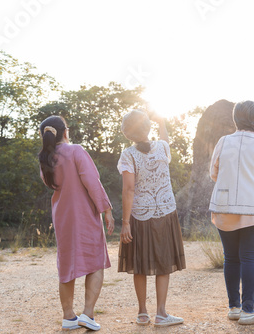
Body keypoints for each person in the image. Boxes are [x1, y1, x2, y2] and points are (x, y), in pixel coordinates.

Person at [38, 116, 115, 331]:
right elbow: (92, 181)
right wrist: (106, 209)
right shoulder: (76, 151)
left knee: (66, 265)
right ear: (65, 132)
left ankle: (68, 316)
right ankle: (88, 314)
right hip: (85, 215)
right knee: (96, 261)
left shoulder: (46, 159)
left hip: (62, 218)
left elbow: (49, 183)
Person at [117, 109, 186, 327]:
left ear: (127, 134)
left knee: (140, 264)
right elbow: (164, 140)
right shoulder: (162, 148)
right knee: (163, 262)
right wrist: (162, 122)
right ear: (147, 128)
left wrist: (125, 223)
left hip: (140, 215)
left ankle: (142, 313)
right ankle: (162, 313)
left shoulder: (128, 155)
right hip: (165, 213)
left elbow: (128, 190)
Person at [209, 100, 254, 325]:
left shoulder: (223, 142)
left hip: (224, 206)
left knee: (231, 257)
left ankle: (234, 308)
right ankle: (248, 310)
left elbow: (213, 173)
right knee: (250, 258)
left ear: (234, 119)